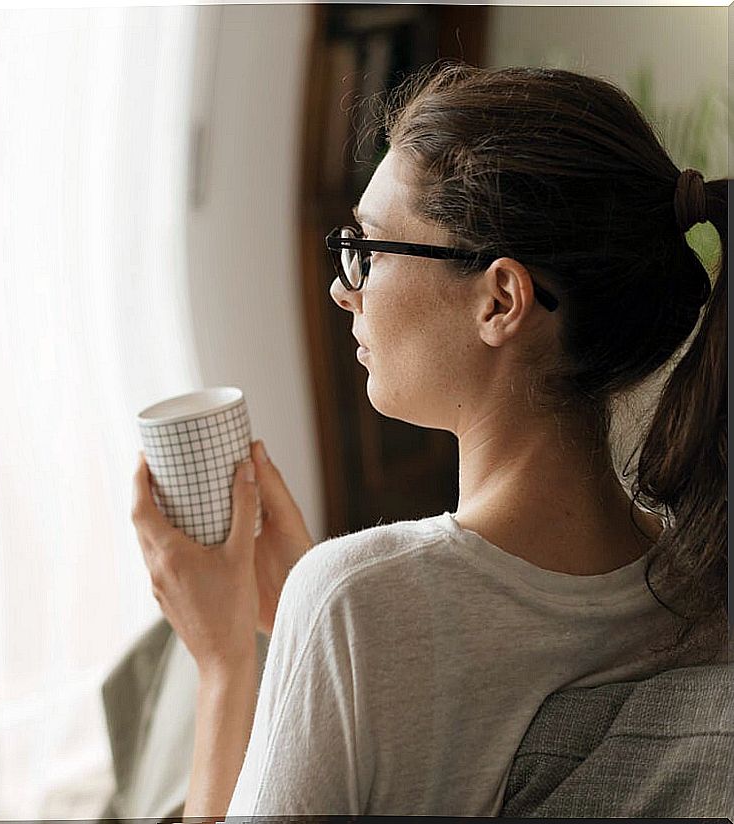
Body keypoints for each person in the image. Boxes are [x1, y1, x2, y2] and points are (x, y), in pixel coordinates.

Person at [129, 63, 728, 817]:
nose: (345, 287)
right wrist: (299, 634)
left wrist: (226, 665)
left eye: (370, 248)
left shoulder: (355, 603)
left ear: (501, 299)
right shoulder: (704, 584)